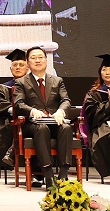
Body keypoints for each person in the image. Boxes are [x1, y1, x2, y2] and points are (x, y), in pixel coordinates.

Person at [12, 46, 74, 189]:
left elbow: (66, 101)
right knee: (42, 128)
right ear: (28, 63)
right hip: (33, 125)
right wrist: (32, 110)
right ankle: (48, 174)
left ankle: (64, 174)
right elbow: (19, 104)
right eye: (33, 58)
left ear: (46, 60)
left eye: (40, 57)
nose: (38, 60)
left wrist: (60, 111)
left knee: (65, 128)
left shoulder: (57, 81)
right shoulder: (21, 82)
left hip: (54, 121)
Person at [0, 49, 30, 171]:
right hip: (7, 121)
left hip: (29, 121)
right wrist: (14, 111)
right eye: (15, 65)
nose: (18, 67)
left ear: (27, 69)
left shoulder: (34, 87)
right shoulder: (2, 87)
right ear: (11, 69)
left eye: (21, 65)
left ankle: (11, 153)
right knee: (15, 125)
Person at [82, 55, 110, 180]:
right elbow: (92, 115)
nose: (107, 73)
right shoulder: (94, 92)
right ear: (100, 72)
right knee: (107, 135)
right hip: (100, 125)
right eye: (104, 69)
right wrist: (109, 105)